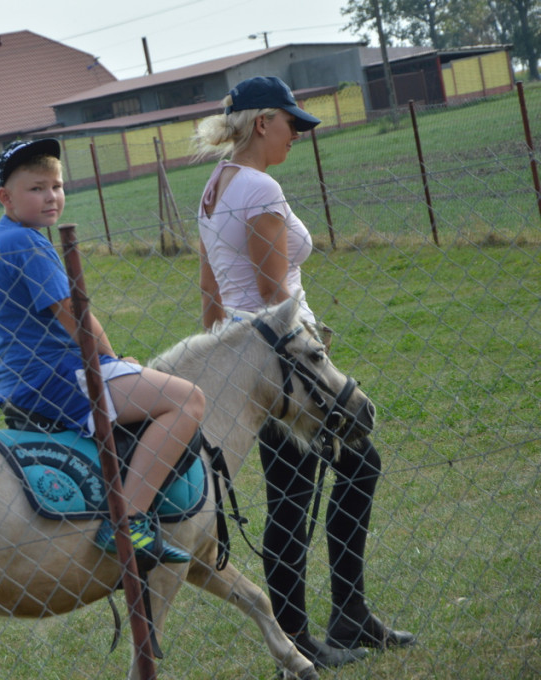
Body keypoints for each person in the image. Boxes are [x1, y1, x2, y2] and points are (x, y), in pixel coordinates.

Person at [192, 77, 416, 667]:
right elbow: (271, 293)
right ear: (262, 122)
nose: (298, 134)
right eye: (292, 123)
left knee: (325, 477)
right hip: (283, 364)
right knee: (305, 490)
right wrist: (307, 358)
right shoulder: (259, 187)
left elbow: (211, 295)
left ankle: (342, 616)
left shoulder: (214, 189)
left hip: (250, 363)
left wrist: (222, 364)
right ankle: (309, 632)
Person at [0, 138, 206, 566]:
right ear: (5, 197)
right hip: (54, 377)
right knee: (187, 399)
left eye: (57, 186)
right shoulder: (26, 243)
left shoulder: (3, 238)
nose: (51, 197)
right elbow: (75, 317)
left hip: (29, 377)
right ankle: (129, 521)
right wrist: (114, 360)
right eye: (36, 188)